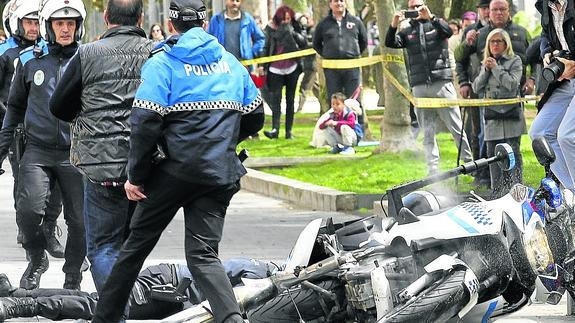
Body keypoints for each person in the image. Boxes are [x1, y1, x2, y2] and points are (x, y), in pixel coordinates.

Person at [91, 0, 265, 321]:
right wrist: (222, 142)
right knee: (203, 256)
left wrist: (137, 176)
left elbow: (144, 122)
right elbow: (256, 116)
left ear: (171, 25)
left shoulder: (163, 63)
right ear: (205, 22)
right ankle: (233, 319)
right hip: (219, 174)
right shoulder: (229, 62)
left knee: (133, 251)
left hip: (173, 173)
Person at [49, 0, 154, 294]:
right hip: (144, 166)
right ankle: (127, 302)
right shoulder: (156, 53)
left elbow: (58, 105)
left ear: (106, 17)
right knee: (129, 246)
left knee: (103, 247)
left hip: (99, 167)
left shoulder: (87, 54)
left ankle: (116, 310)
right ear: (141, 18)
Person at [0, 0, 86, 290]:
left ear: (78, 26)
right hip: (37, 150)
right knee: (28, 213)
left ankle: (73, 273)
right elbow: (13, 109)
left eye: (71, 24)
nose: (65, 29)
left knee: (80, 221)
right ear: (49, 27)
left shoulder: (87, 59)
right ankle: (37, 259)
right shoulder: (28, 61)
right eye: (60, 24)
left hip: (76, 153)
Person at [0, 258, 275, 321]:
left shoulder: (260, 269)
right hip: (165, 287)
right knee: (98, 307)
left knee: (95, 300)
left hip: (169, 289)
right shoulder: (259, 276)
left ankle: (17, 296)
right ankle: (21, 307)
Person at [0, 0, 66, 256]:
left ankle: (49, 228)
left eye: (35, 22)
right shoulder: (6, 54)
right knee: (25, 188)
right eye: (27, 22)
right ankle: (29, 233)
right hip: (19, 131)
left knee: (56, 189)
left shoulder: (46, 52)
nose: (32, 28)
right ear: (17, 23)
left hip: (51, 131)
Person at [384, 0, 474, 175]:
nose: (415, 10)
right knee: (427, 131)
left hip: (442, 82)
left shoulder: (437, 23)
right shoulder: (406, 30)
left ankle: (469, 164)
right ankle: (433, 169)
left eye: (418, 6)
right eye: (412, 7)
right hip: (419, 86)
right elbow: (390, 42)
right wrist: (394, 24)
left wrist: (431, 17)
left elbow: (448, 32)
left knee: (456, 127)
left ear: (424, 6)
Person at [472, 28, 525, 198]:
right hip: (492, 118)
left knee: (513, 153)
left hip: (510, 116)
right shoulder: (486, 62)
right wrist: (486, 70)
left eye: (498, 41)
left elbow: (512, 84)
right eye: (492, 41)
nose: (495, 45)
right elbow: (476, 87)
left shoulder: (515, 60)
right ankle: (497, 193)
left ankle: (516, 191)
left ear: (506, 43)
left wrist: (496, 68)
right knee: (493, 155)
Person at [529, 0, 575, 193]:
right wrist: (546, 52)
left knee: (567, 136)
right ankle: (572, 192)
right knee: (539, 133)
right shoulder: (545, 6)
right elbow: (545, 35)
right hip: (566, 80)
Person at [312, 0, 367, 120]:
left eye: (341, 0)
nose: (339, 3)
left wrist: (352, 54)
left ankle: (357, 131)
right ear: (330, 4)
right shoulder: (323, 24)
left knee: (353, 101)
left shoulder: (356, 21)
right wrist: (328, 54)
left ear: (345, 3)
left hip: (352, 68)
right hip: (332, 69)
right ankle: (336, 128)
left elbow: (364, 42)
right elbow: (316, 44)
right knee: (335, 100)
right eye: (335, 1)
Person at [261, 5, 306, 140]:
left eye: (288, 18)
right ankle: (275, 129)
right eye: (283, 19)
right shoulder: (270, 29)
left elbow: (303, 42)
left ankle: (288, 131)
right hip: (275, 69)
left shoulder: (295, 28)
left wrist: (292, 32)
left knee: (290, 100)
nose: (286, 21)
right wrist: (263, 65)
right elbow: (266, 47)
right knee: (276, 100)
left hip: (292, 68)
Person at [297, 13, 319, 113]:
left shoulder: (314, 31)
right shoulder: (305, 31)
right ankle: (326, 104)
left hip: (312, 64)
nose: (305, 21)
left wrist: (305, 44)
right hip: (307, 63)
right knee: (315, 88)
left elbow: (313, 45)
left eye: (307, 19)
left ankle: (299, 108)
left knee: (304, 87)